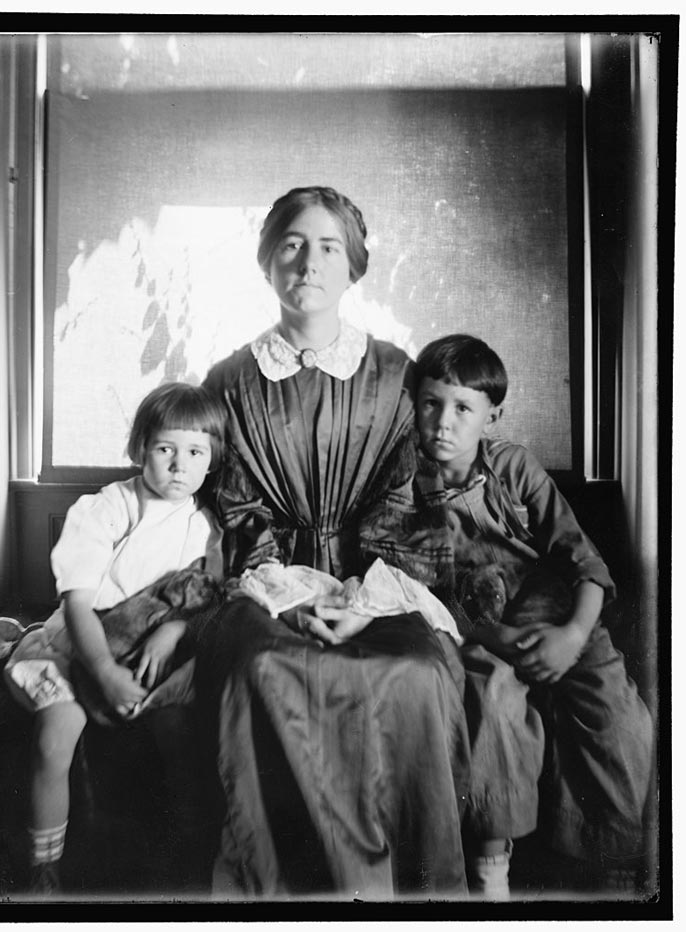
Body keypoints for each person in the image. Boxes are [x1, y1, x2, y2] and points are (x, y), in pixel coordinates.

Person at [199, 186, 471, 898]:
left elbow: (402, 499)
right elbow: (235, 506)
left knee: (418, 673)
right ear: (267, 264)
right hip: (269, 586)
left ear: (352, 266)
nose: (309, 262)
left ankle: (409, 893)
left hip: (376, 579)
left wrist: (365, 603)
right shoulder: (230, 382)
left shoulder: (393, 374)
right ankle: (276, 892)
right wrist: (287, 598)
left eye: (327, 247)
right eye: (292, 244)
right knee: (259, 667)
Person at [412, 333, 654, 891]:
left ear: (491, 415)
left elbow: (584, 562)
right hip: (474, 629)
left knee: (618, 713)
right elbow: (424, 593)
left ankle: (612, 866)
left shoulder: (514, 468)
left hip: (555, 611)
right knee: (491, 700)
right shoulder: (405, 489)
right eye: (431, 403)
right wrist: (493, 639)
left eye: (463, 408)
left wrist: (571, 635)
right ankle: (491, 868)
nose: (444, 422)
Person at [3, 382, 225, 895]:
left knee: (187, 729)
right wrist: (102, 670)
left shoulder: (205, 526)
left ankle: (185, 862)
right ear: (140, 448)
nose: (178, 466)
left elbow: (205, 597)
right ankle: (44, 870)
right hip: (78, 644)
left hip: (148, 645)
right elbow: (78, 603)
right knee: (57, 730)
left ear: (212, 461)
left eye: (195, 452)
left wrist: (173, 630)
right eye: (165, 449)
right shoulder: (106, 508)